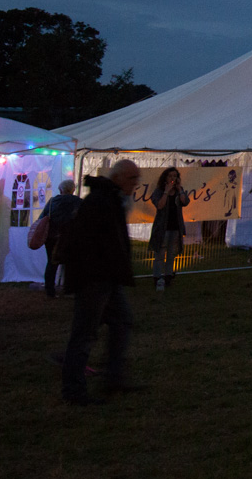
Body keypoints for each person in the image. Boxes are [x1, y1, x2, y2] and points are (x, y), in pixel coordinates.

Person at [59, 161, 142, 405]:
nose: (135, 183)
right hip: (95, 277)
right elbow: (87, 241)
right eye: (131, 178)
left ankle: (112, 377)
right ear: (117, 178)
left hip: (105, 276)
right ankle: (74, 390)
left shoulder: (109, 199)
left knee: (120, 321)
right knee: (85, 333)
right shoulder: (100, 202)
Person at [38, 179, 82, 298]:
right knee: (71, 264)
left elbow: (42, 218)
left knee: (52, 264)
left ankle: (50, 291)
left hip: (52, 237)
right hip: (70, 237)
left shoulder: (52, 202)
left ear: (60, 189)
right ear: (73, 189)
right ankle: (70, 290)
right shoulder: (78, 202)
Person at [150, 167, 190, 291]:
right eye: (170, 176)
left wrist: (180, 191)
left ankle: (168, 276)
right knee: (160, 253)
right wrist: (166, 192)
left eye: (175, 176)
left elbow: (185, 202)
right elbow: (159, 205)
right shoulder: (159, 191)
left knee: (171, 253)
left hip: (175, 227)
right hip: (163, 228)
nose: (173, 179)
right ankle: (157, 277)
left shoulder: (179, 191)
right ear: (165, 178)